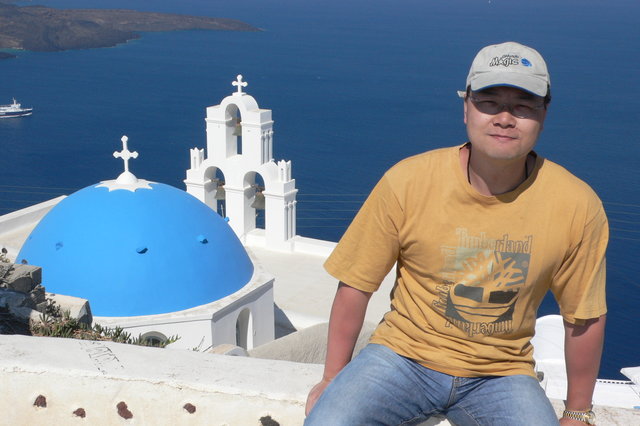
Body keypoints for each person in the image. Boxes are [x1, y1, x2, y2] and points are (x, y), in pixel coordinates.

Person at [304, 41, 607, 426]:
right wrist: (333, 377)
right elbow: (356, 283)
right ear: (466, 108)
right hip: (402, 356)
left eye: (523, 105)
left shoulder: (577, 205)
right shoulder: (408, 181)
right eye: (489, 102)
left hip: (502, 373)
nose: (504, 118)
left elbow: (584, 316)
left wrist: (577, 412)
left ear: (543, 114)